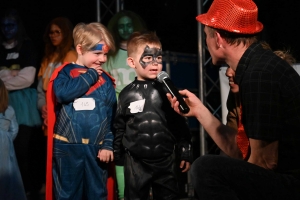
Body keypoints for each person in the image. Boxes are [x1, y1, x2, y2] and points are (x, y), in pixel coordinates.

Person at [167, 0, 300, 199]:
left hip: (293, 184)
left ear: (218, 39)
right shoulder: (253, 69)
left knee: (206, 168)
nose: (206, 44)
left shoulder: (259, 74)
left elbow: (265, 163)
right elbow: (240, 152)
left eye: (206, 37)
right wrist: (200, 111)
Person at [113, 31, 192, 200]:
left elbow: (179, 123)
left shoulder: (168, 90)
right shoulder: (126, 94)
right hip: (136, 163)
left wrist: (185, 150)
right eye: (148, 58)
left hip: (166, 161)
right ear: (132, 62)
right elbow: (119, 126)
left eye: (158, 58)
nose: (154, 63)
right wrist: (118, 155)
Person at [45, 22, 117, 200]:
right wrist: (91, 75)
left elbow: (111, 116)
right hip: (67, 147)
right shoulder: (65, 72)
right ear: (80, 49)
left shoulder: (106, 80)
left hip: (96, 149)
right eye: (97, 53)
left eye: (105, 54)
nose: (102, 59)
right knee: (67, 195)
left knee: (97, 194)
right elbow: (63, 93)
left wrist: (108, 144)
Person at [102, 10, 147, 200]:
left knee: (141, 156)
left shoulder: (141, 52)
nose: (125, 29)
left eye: (129, 25)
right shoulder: (110, 55)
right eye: (121, 25)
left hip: (141, 113)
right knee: (120, 155)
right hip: (117, 113)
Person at [0, 8, 43, 200]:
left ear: (18, 26)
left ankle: (29, 188)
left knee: (23, 148)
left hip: (23, 103)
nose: (7, 29)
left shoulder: (26, 46)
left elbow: (27, 78)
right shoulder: (0, 47)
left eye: (11, 25)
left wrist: (4, 78)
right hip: (3, 100)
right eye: (4, 25)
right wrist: (12, 76)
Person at [37, 17, 77, 136]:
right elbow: (40, 88)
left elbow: (75, 88)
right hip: (48, 112)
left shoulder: (72, 56)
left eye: (57, 32)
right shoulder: (47, 58)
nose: (53, 35)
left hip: (65, 112)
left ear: (65, 33)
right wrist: (42, 106)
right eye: (51, 32)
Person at [0, 79, 26, 200]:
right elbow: (14, 129)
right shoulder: (8, 109)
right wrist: (6, 139)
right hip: (4, 143)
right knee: (6, 177)